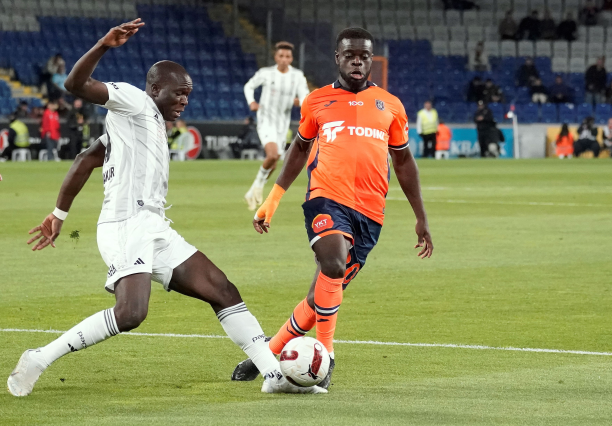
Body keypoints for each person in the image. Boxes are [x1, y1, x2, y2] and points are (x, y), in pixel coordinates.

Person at [7, 18, 324, 398]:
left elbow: (85, 160)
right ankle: (39, 358)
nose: (184, 101)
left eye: (188, 95)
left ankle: (274, 376)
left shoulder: (145, 122)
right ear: (155, 89)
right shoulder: (133, 100)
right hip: (125, 225)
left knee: (223, 289)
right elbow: (76, 85)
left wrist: (59, 216)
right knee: (131, 314)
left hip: (153, 226)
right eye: (178, 94)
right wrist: (105, 45)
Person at [230, 27, 434, 389]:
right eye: (350, 55)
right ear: (337, 59)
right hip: (326, 198)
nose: (357, 60)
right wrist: (272, 199)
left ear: (372, 60)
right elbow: (298, 149)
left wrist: (421, 216)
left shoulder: (392, 106)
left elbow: (403, 162)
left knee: (319, 296)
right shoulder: (317, 101)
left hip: (370, 213)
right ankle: (327, 355)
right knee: (333, 263)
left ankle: (264, 356)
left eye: (364, 55)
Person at [243, 41, 309, 211]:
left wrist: (301, 103)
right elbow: (249, 86)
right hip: (266, 120)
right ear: (275, 57)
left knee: (273, 163)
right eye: (281, 56)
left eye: (287, 56)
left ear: (291, 58)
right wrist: (252, 102)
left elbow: (304, 96)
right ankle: (257, 186)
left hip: (282, 124)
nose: (284, 59)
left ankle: (252, 192)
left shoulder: (297, 76)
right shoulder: (266, 73)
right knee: (272, 155)